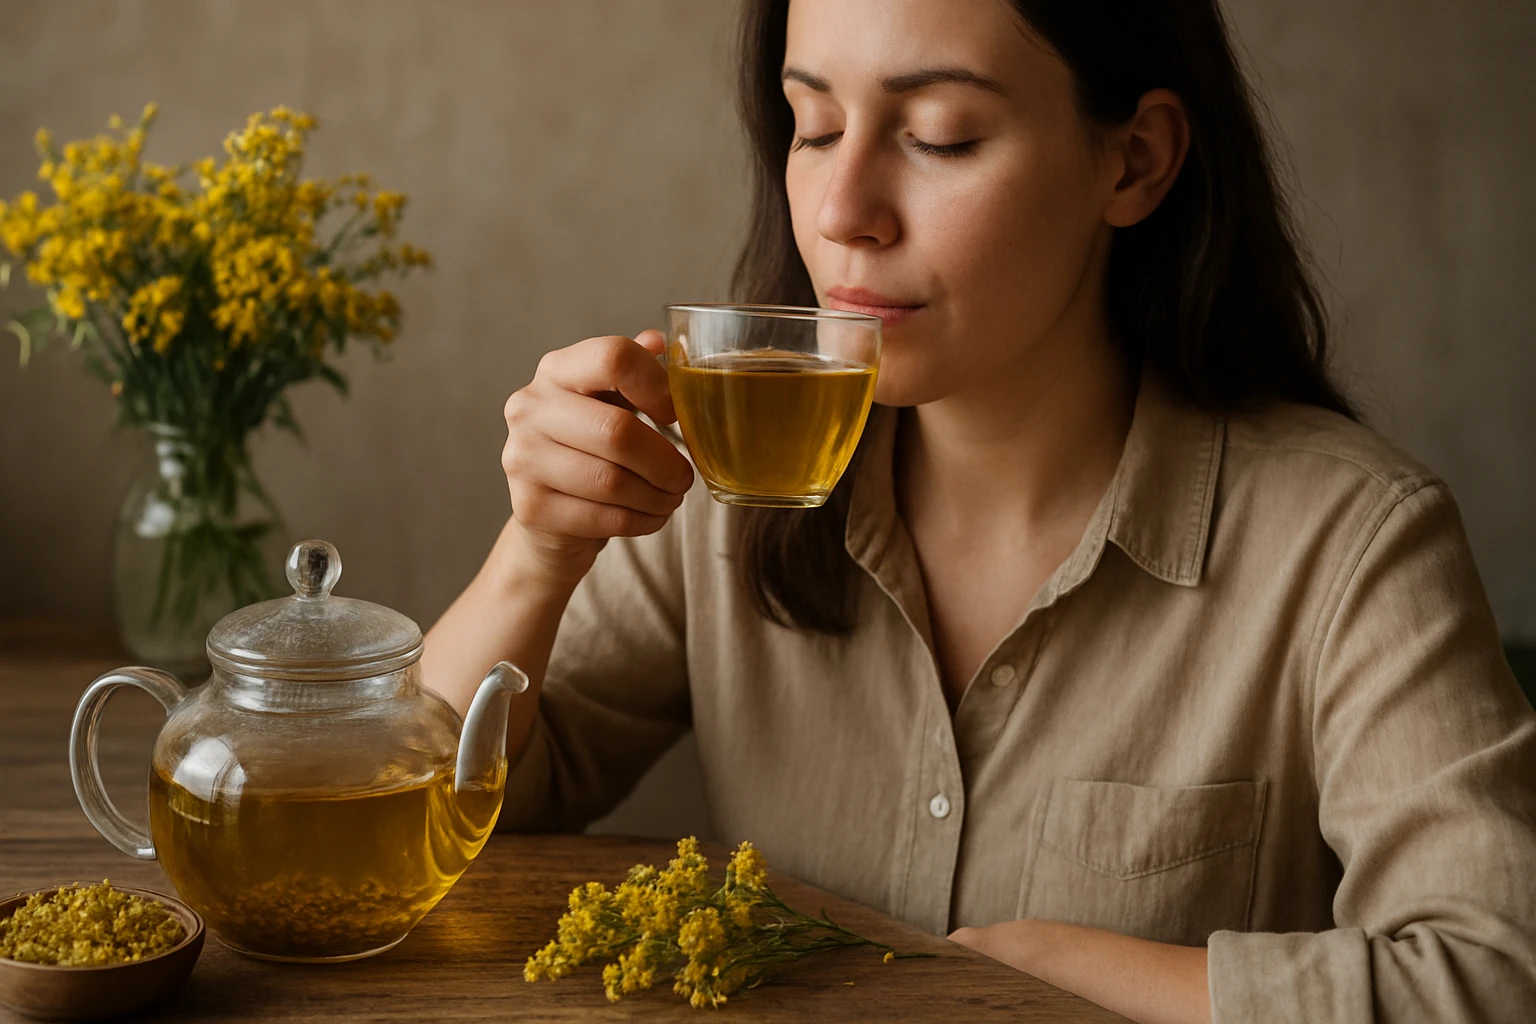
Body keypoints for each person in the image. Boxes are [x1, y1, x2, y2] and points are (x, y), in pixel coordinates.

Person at [421, 1, 1536, 1020]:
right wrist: (537, 554)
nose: (843, 211)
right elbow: (421, 828)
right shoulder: (734, 481)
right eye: (811, 126)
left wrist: (1054, 971)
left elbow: (1492, 973)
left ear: (1136, 161)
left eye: (940, 134)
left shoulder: (1353, 542)